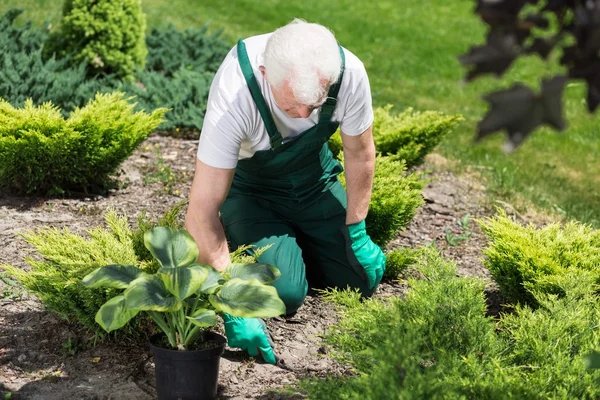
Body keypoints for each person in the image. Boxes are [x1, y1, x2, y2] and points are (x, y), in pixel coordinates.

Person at [185, 19, 386, 364]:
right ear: (265, 73)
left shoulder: (347, 71)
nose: (306, 114)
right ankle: (244, 248)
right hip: (251, 192)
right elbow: (202, 210)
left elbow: (360, 152)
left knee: (361, 280)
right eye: (292, 106)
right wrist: (232, 302)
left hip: (313, 179)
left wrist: (358, 229)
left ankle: (294, 247)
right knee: (284, 294)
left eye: (316, 103)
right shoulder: (236, 92)